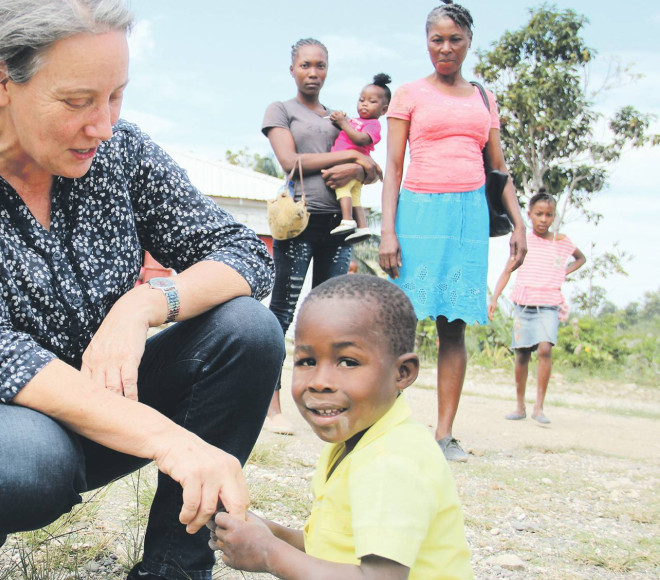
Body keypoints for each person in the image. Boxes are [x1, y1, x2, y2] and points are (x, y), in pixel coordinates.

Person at [0, 2, 286, 579]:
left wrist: (143, 304)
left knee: (247, 330)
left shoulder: (122, 153)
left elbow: (243, 253)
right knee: (25, 463)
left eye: (115, 96)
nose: (101, 124)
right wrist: (171, 441)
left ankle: (174, 568)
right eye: (77, 102)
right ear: (2, 80)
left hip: (96, 403)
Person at [208, 275, 473, 579]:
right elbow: (331, 549)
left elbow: (381, 577)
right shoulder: (355, 443)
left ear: (402, 372)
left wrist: (269, 553)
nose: (320, 382)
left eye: (347, 362)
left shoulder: (391, 461)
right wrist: (266, 533)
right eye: (307, 361)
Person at [378, 0, 527, 461]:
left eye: (454, 39)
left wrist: (520, 223)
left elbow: (498, 167)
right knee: (401, 324)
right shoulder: (409, 94)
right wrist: (388, 231)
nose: (445, 48)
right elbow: (395, 166)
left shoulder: (484, 98)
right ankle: (386, 427)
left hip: (467, 218)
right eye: (436, 39)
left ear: (468, 43)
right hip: (418, 214)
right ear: (426, 43)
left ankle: (444, 435)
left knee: (453, 326)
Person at [261, 38, 383, 436]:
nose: (313, 73)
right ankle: (270, 406)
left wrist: (360, 166)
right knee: (282, 313)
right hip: (299, 222)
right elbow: (290, 160)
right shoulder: (281, 110)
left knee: (326, 322)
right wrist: (351, 159)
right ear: (293, 68)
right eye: (306, 65)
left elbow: (373, 168)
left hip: (338, 227)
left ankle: (325, 406)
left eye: (321, 66)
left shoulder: (340, 117)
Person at [489, 192, 585, 424]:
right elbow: (507, 270)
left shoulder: (561, 242)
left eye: (549, 215)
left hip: (550, 303)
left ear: (554, 216)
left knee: (544, 348)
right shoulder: (524, 240)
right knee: (522, 354)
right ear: (529, 215)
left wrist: (563, 272)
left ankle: (539, 407)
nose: (543, 219)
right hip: (524, 304)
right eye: (539, 214)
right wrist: (494, 298)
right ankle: (520, 406)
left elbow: (580, 258)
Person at [328, 73, 393, 242]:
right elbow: (350, 127)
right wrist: (340, 119)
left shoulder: (374, 125)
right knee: (355, 196)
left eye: (372, 102)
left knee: (342, 189)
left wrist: (343, 123)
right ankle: (363, 227)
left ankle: (347, 220)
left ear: (383, 109)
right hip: (354, 165)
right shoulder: (356, 121)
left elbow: (360, 139)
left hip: (349, 164)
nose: (364, 104)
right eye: (362, 99)